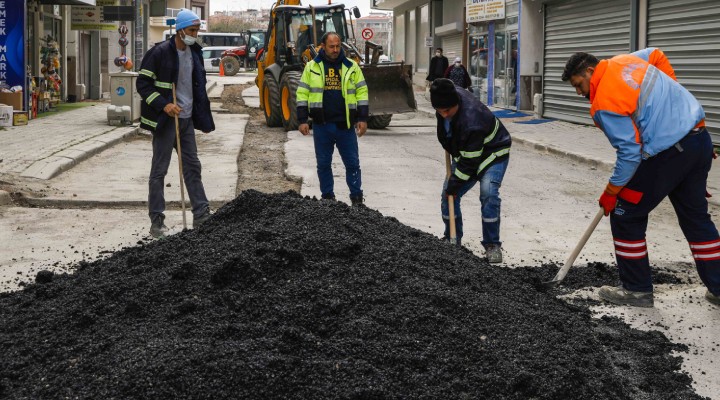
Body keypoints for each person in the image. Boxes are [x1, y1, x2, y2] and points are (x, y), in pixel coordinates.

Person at [562, 48, 720, 307]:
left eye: (579, 85)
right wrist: (675, 109)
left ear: (590, 72)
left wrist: (612, 192)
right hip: (699, 140)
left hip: (669, 154)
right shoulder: (626, 60)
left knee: (626, 214)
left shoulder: (603, 102)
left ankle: (636, 290)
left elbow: (630, 154)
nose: (579, 93)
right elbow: (657, 54)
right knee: (696, 219)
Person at [136, 9, 215, 238]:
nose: (195, 34)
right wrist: (164, 105)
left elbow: (198, 86)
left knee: (193, 166)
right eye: (192, 30)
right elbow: (143, 84)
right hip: (166, 121)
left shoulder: (195, 52)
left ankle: (201, 213)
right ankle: (157, 221)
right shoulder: (159, 53)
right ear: (180, 30)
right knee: (159, 171)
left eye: (197, 30)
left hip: (187, 119)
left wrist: (203, 117)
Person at [430, 78, 511, 263]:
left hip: (493, 153)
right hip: (468, 152)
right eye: (439, 111)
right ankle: (452, 240)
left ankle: (492, 245)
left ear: (456, 103)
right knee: (447, 196)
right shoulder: (445, 101)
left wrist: (454, 186)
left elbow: (470, 163)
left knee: (488, 193)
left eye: (447, 111)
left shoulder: (472, 120)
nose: (443, 115)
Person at [296, 32, 369, 206]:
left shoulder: (352, 66)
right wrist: (302, 119)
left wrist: (363, 118)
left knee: (352, 164)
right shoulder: (312, 67)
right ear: (323, 46)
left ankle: (356, 198)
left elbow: (362, 92)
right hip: (322, 125)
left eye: (338, 46)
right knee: (323, 164)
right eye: (332, 46)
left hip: (345, 126)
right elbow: (302, 93)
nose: (336, 50)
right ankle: (328, 198)